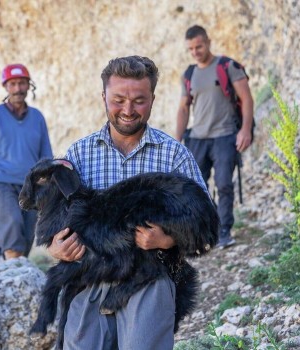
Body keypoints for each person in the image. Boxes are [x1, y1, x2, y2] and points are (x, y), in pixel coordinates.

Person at [48, 56, 210, 349]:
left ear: (152, 99)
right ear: (103, 97)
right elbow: (54, 219)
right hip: (88, 281)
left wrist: (168, 239)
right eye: (118, 99)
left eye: (139, 100)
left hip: (149, 278)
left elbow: (207, 227)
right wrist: (55, 247)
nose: (127, 110)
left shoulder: (174, 157)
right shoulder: (79, 155)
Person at [175, 24, 254, 249]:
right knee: (197, 188)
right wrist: (177, 140)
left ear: (208, 42)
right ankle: (206, 230)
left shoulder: (228, 66)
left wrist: (245, 130)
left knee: (223, 184)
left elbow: (247, 98)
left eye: (198, 46)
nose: (195, 52)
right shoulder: (189, 74)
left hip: (225, 135)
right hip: (197, 137)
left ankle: (224, 231)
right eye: (190, 48)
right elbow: (183, 108)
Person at [0, 63, 53, 260]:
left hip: (32, 185)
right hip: (3, 182)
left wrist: (48, 185)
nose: (18, 88)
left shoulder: (37, 118)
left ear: (29, 86)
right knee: (11, 224)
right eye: (13, 84)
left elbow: (46, 156)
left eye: (22, 83)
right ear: (6, 87)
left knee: (28, 235)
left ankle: (18, 272)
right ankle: (12, 268)